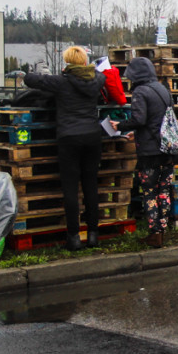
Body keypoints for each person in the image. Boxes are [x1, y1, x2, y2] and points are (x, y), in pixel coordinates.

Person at [24, 46, 106, 251]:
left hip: (69, 137)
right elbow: (104, 76)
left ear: (68, 61)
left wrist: (31, 72)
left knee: (71, 188)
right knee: (90, 185)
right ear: (85, 60)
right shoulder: (96, 79)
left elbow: (31, 80)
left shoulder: (61, 82)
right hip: (92, 136)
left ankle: (74, 237)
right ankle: (94, 235)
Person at [111, 57, 178, 249]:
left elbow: (139, 119)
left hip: (150, 152)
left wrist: (120, 126)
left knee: (149, 192)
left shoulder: (140, 91)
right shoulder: (163, 89)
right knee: (164, 191)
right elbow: (160, 119)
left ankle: (154, 234)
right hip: (167, 148)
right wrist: (138, 132)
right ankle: (163, 230)